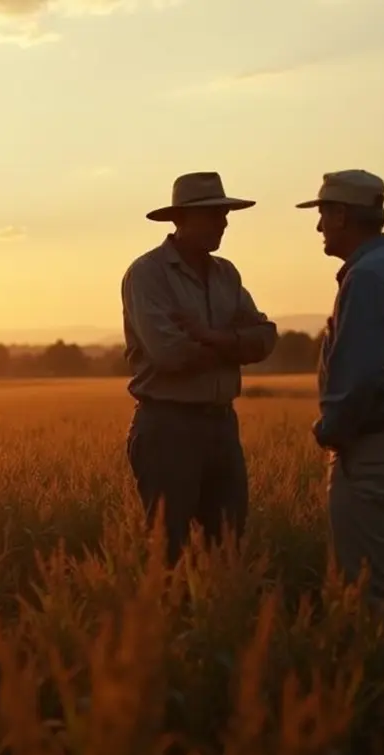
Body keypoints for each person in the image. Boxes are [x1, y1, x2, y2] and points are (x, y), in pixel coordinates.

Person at [296, 169, 384, 612]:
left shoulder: (369, 277)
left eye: (322, 214)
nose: (318, 226)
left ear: (341, 215)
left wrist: (330, 428)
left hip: (373, 449)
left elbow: (362, 375)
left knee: (368, 592)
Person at [121, 171, 278, 565]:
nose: (223, 223)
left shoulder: (227, 273)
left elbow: (266, 339)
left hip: (222, 426)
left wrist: (209, 336)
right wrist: (233, 344)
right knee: (167, 552)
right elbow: (169, 353)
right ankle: (167, 625)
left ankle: (218, 622)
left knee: (228, 546)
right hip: (167, 428)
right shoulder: (147, 274)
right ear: (181, 219)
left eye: (224, 214)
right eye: (212, 215)